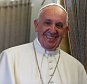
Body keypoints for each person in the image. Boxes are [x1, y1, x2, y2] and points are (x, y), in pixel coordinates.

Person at [0, 3, 87, 84]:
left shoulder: (77, 68)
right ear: (36, 25)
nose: (53, 30)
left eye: (59, 25)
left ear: (65, 31)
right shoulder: (10, 58)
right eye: (47, 23)